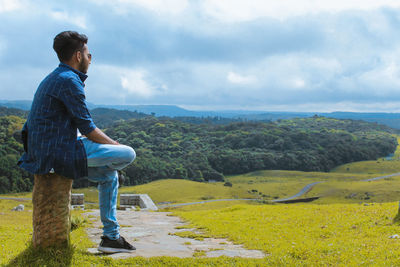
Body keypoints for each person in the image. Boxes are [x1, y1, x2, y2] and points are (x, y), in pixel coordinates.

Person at [18, 31, 136, 253]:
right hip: (59, 152)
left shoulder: (57, 77)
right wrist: (115, 145)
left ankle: (111, 238)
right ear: (78, 56)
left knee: (109, 177)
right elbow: (88, 128)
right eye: (88, 54)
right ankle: (110, 236)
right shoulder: (68, 81)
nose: (91, 59)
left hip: (50, 148)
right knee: (128, 154)